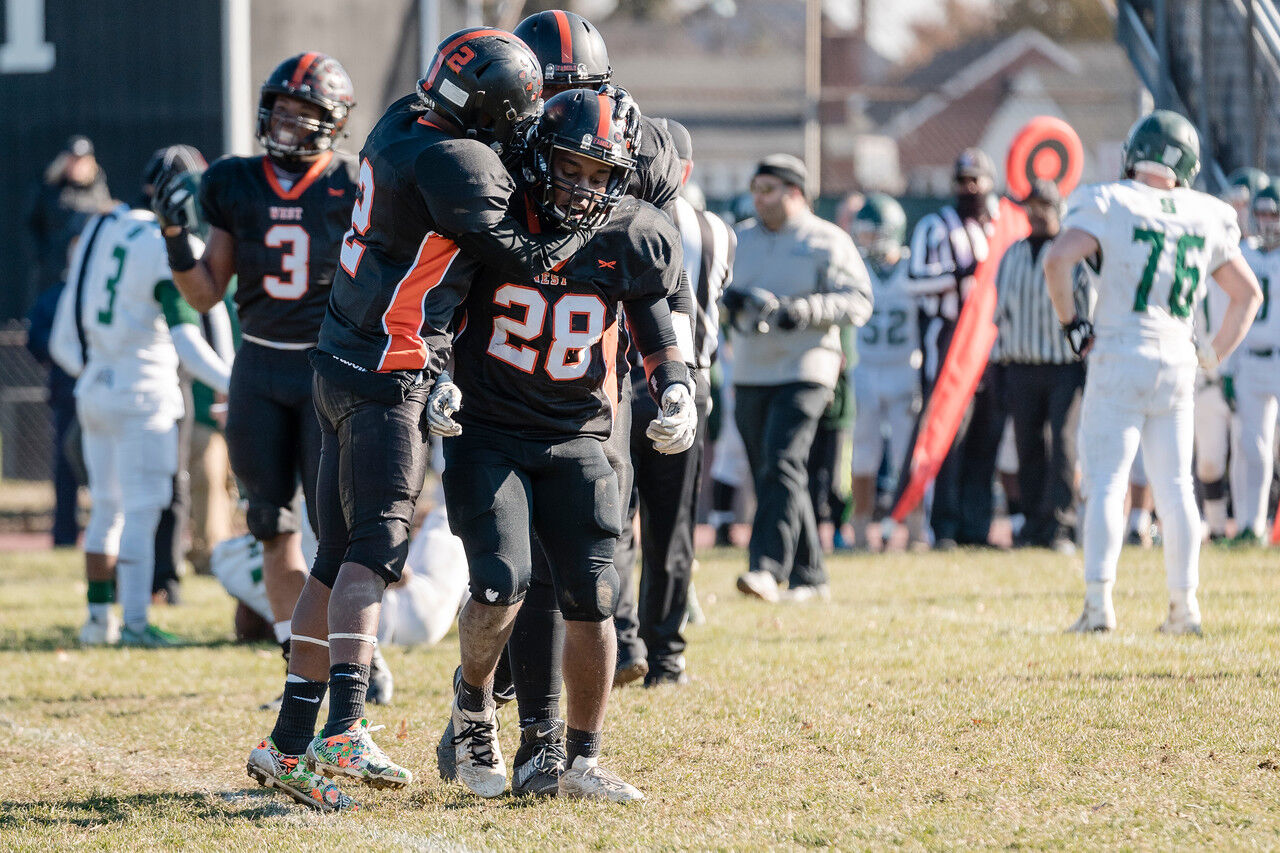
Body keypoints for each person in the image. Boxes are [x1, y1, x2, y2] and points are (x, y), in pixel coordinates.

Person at [244, 29, 605, 813]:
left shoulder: (401, 120)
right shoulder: (463, 163)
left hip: (337, 355)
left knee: (333, 560)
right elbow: (527, 256)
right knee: (373, 553)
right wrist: (585, 219)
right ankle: (344, 723)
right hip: (390, 365)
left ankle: (286, 741)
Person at [436, 87, 694, 804]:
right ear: (537, 159)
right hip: (490, 431)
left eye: (599, 173)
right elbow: (441, 311)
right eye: (570, 168)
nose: (584, 186)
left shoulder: (633, 233)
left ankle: (578, 758)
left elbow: (656, 332)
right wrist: (438, 376)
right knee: (499, 581)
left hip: (578, 431)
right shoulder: (493, 219)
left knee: (595, 594)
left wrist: (676, 390)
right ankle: (474, 705)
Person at [153, 52, 373, 700]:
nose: (285, 121)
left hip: (325, 368)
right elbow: (204, 291)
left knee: (334, 532)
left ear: (331, 123)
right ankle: (296, 661)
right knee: (270, 524)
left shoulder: (353, 184)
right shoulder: (233, 181)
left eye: (302, 112)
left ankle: (356, 658)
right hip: (257, 364)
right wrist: (174, 235)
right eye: (279, 107)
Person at [1044, 110, 1261, 634]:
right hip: (1177, 358)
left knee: (1106, 483)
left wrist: (1073, 324)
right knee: (1176, 487)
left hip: (1120, 349)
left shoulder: (1110, 200)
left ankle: (1099, 608)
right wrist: (1213, 354)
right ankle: (1184, 609)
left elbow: (1057, 259)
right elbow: (1247, 295)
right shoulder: (1205, 212)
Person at [49, 147, 231, 647]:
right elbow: (189, 346)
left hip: (95, 388)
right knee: (144, 509)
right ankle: (133, 621)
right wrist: (239, 385)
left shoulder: (101, 227)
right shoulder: (165, 244)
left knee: (106, 508)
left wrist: (102, 370)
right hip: (144, 396)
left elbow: (65, 335)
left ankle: (95, 619)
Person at [614, 118, 735, 686]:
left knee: (614, 520)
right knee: (672, 526)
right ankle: (666, 654)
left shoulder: (612, 217)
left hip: (620, 382)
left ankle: (623, 639)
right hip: (691, 379)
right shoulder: (716, 230)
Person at [723, 154, 872, 603]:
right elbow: (710, 290)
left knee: (783, 459)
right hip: (751, 368)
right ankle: (812, 575)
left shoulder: (828, 240)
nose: (758, 198)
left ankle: (767, 568)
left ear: (795, 192)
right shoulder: (738, 239)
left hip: (807, 368)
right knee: (771, 469)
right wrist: (734, 300)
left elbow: (860, 301)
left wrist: (805, 310)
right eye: (755, 188)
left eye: (767, 189)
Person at [904, 148, 1009, 549]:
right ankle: (944, 527)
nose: (968, 188)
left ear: (989, 183)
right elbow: (915, 281)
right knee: (949, 438)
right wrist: (961, 277)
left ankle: (976, 528)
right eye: (962, 181)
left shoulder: (1002, 224)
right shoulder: (935, 226)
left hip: (992, 349)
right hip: (949, 345)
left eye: (975, 181)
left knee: (986, 438)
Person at [992, 178, 1092, 552]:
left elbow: (1087, 310)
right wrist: (998, 366)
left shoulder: (1072, 254)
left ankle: (1061, 525)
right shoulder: (1012, 254)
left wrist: (1086, 361)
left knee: (1063, 445)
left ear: (1058, 210)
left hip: (1063, 365)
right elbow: (1001, 314)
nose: (1035, 215)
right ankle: (1034, 523)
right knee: (1027, 445)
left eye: (1043, 207)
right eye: (1030, 207)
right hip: (1020, 364)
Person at [847, 193, 927, 551]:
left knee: (906, 455)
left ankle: (915, 525)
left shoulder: (913, 266)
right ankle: (861, 526)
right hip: (865, 369)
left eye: (870, 231)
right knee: (863, 452)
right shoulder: (856, 266)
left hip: (903, 369)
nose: (864, 239)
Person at [1229, 183, 1280, 542]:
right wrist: (1229, 368)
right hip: (1249, 358)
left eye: (1272, 214)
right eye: (1260, 213)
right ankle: (1253, 525)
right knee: (1252, 447)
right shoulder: (1242, 253)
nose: (1265, 222)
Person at [24, 135, 115, 312]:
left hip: (88, 275)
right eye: (73, 160)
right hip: (53, 275)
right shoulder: (48, 187)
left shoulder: (99, 189)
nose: (77, 165)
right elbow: (31, 224)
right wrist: (43, 256)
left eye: (82, 160)